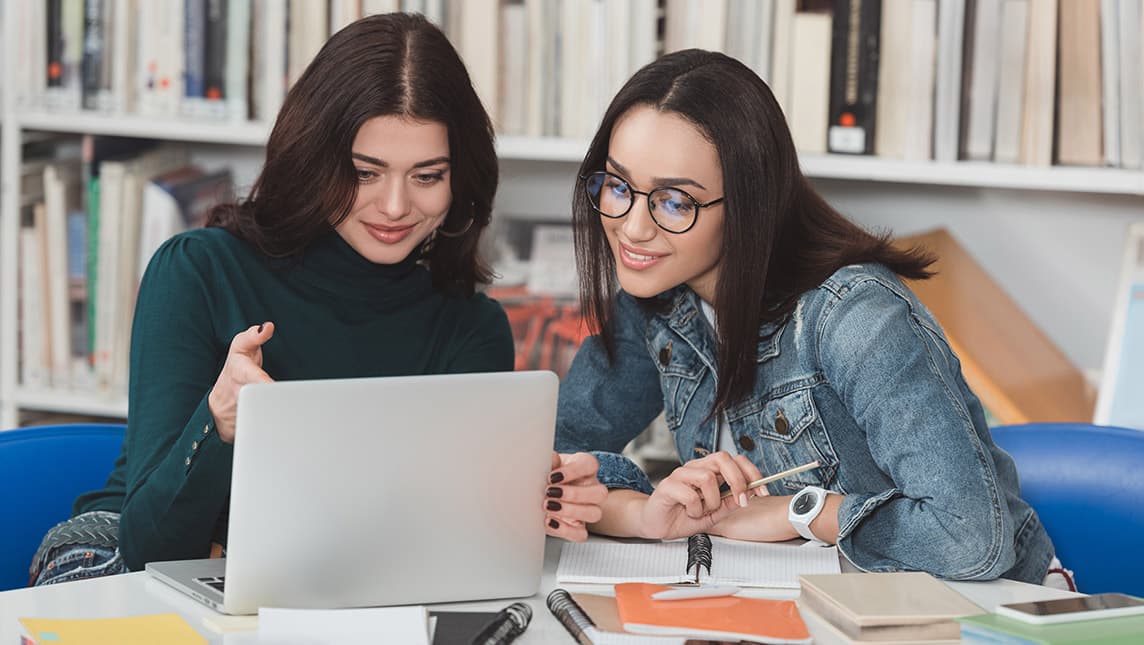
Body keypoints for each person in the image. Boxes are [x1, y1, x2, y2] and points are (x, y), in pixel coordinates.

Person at [30, 13, 605, 587]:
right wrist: (221, 421)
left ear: (461, 181)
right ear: (314, 160)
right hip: (124, 564)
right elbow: (153, 547)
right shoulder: (198, 271)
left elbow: (439, 548)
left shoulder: (471, 327)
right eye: (364, 173)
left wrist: (530, 501)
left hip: (330, 579)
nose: (396, 206)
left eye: (427, 176)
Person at [554, 48, 1063, 585]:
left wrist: (798, 511)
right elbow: (556, 459)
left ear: (750, 204)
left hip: (990, 609)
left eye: (675, 201)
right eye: (617, 186)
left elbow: (971, 538)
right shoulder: (658, 298)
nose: (633, 227)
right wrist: (643, 513)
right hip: (809, 604)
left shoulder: (856, 318)